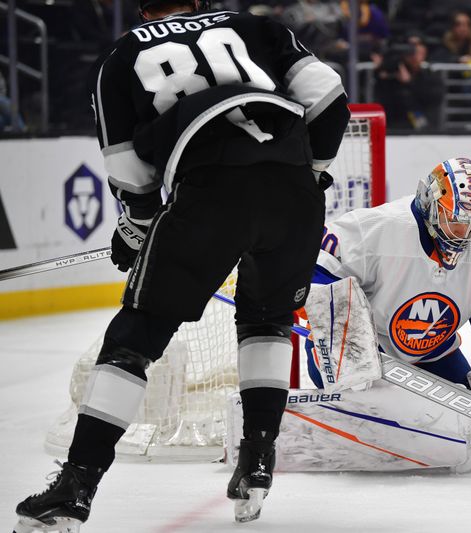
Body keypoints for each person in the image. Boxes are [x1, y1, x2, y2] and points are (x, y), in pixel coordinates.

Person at [14, 0, 349, 529]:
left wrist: (135, 231)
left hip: (208, 189)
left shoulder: (121, 57)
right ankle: (257, 461)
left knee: (136, 334)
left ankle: (76, 485)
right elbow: (328, 96)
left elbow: (130, 174)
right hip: (293, 189)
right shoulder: (253, 25)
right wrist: (312, 175)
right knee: (267, 321)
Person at [305, 157, 471, 389]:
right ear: (430, 203)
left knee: (467, 406)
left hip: (433, 354)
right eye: (455, 221)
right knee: (356, 383)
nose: (463, 234)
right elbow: (317, 268)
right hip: (364, 349)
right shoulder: (379, 228)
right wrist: (331, 323)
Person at [374, 33, 444, 130]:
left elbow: (434, 99)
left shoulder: (431, 76)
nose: (413, 50)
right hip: (394, 128)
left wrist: (410, 82)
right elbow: (382, 98)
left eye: (417, 45)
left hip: (424, 128)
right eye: (409, 45)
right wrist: (380, 70)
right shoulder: (392, 71)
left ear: (425, 51)